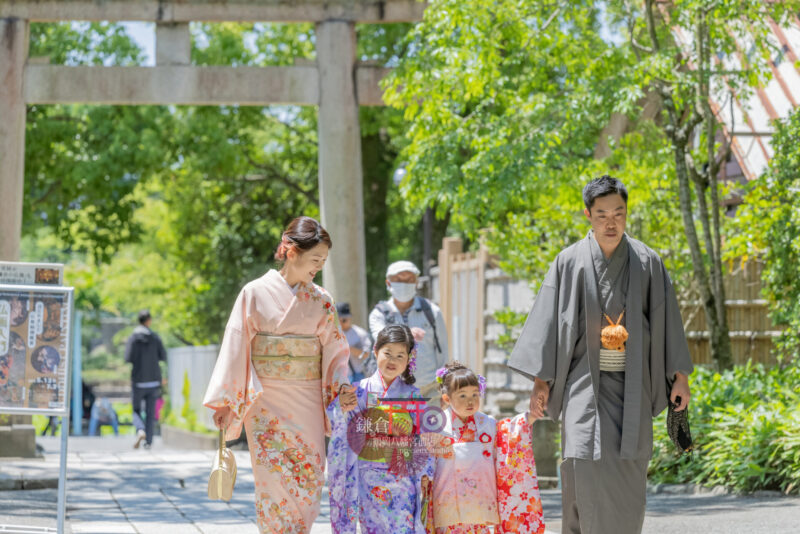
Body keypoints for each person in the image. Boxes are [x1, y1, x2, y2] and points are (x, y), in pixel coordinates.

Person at [507, 175, 694, 534]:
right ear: (587, 215)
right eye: (602, 214)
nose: (611, 222)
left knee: (629, 470)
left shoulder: (647, 261)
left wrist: (680, 377)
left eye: (618, 214)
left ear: (627, 214)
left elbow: (668, 319)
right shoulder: (569, 262)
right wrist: (540, 384)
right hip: (581, 383)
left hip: (634, 383)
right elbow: (548, 323)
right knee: (580, 460)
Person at [203, 216, 356, 534]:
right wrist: (226, 401)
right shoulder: (254, 293)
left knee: (310, 476)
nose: (318, 267)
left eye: (323, 261)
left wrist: (341, 385)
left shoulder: (322, 300)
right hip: (266, 403)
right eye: (315, 259)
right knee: (273, 483)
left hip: (308, 399)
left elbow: (336, 352)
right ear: (290, 251)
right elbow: (236, 344)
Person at [327, 324, 434, 533]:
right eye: (388, 353)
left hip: (402, 477)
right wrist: (343, 407)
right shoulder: (358, 391)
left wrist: (425, 471)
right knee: (372, 528)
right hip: (368, 477)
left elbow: (424, 437)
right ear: (376, 351)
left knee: (403, 527)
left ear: (408, 359)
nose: (393, 360)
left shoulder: (413, 396)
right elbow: (337, 423)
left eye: (400, 355)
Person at [432, 362, 545, 534]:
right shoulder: (437, 427)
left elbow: (509, 434)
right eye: (462, 396)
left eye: (475, 395)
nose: (470, 401)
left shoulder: (487, 424)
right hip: (447, 502)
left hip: (480, 503)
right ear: (447, 398)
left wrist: (530, 417)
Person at [369, 261, 448, 403]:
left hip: (428, 389)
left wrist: (444, 385)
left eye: (409, 280)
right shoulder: (379, 314)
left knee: (431, 426)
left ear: (416, 282)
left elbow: (442, 351)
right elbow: (381, 338)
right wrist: (406, 334)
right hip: (391, 390)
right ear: (388, 283)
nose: (404, 284)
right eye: (399, 279)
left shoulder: (431, 311)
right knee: (395, 426)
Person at [125, 309, 167, 450]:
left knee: (136, 410)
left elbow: (128, 358)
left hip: (138, 381)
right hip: (154, 381)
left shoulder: (133, 338)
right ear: (148, 320)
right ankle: (148, 442)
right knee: (150, 412)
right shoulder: (155, 337)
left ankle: (140, 430)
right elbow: (163, 356)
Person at [336, 302, 375, 382]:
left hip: (356, 376)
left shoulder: (360, 333)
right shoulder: (331, 334)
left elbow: (368, 354)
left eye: (343, 320)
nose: (340, 323)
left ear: (350, 318)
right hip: (337, 377)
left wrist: (348, 349)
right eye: (337, 320)